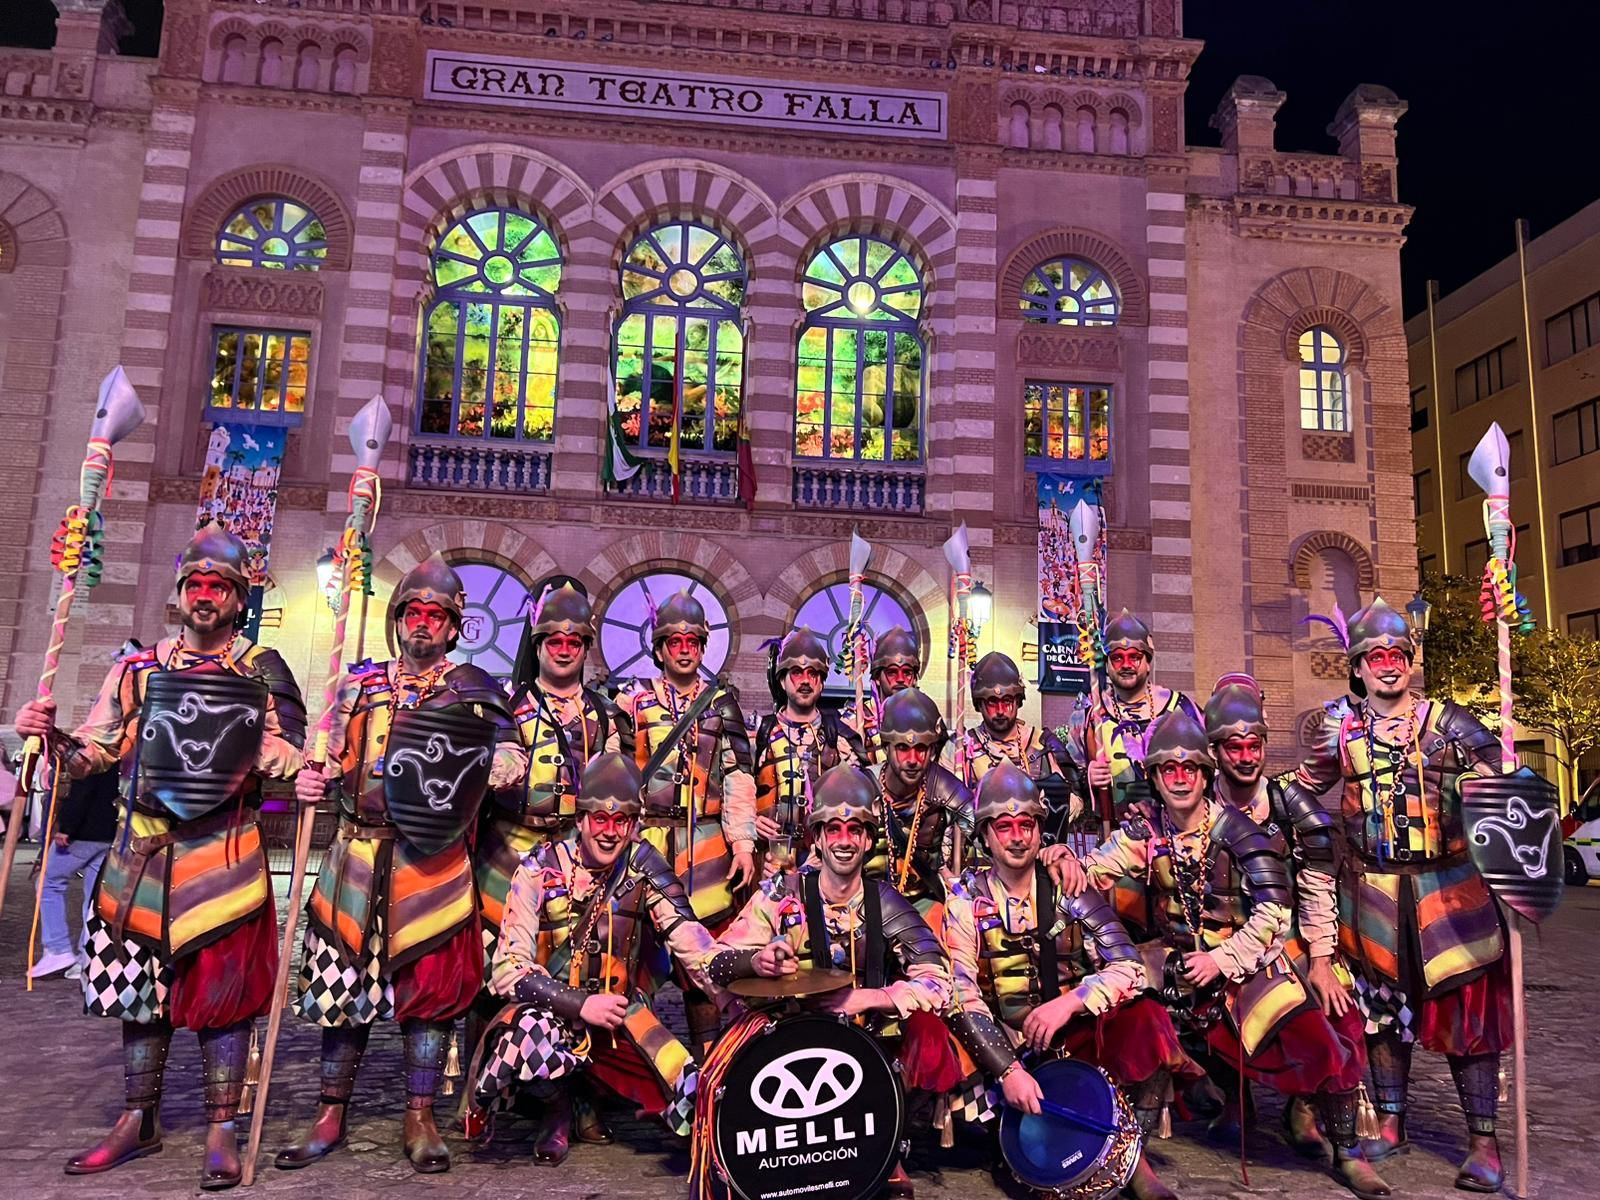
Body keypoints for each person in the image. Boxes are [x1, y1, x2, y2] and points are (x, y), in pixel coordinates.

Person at [13, 523, 307, 1190]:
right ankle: (138, 1117)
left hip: (223, 858)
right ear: (180, 595)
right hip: (140, 858)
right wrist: (49, 737)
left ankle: (222, 1127)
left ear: (238, 599)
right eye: (196, 585)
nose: (207, 596)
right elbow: (94, 750)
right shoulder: (137, 670)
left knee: (224, 1000)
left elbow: (292, 753)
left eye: (220, 587)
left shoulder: (263, 670)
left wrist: (261, 750)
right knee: (138, 997)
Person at [276, 553, 524, 1175]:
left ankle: (420, 1116)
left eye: (435, 615)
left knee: (430, 993)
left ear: (453, 625)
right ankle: (330, 1114)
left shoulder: (473, 688)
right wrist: (312, 773)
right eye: (412, 612)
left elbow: (512, 753)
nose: (422, 624)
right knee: (342, 987)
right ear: (397, 618)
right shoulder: (355, 684)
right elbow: (325, 753)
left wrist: (488, 771)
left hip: (432, 860)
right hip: (357, 852)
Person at [1075, 711, 1389, 1199]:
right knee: (1141, 1029)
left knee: (1317, 1039)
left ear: (1204, 774)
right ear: (1156, 776)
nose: (1180, 779)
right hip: (1175, 964)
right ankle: (1134, 1158)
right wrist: (1065, 863)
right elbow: (1096, 868)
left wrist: (1222, 961)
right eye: (1168, 770)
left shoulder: (1239, 830)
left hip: (1244, 964)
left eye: (1189, 769)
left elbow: (1271, 911)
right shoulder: (1145, 831)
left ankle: (1346, 1151)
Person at [1284, 597, 1513, 1192]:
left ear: (1410, 662)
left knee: (1468, 1017)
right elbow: (1302, 790)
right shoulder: (1339, 728)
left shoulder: (1453, 722)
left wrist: (1492, 781)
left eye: (1397, 654)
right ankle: (1391, 1122)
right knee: (1384, 1012)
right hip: (1373, 888)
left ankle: (1483, 1140)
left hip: (1451, 887)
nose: (1387, 664)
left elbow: (1509, 789)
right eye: (1375, 656)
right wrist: (1310, 829)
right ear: (1357, 666)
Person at [941, 763, 1200, 1200]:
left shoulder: (1069, 887)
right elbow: (961, 995)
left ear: (1040, 830)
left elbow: (1129, 966)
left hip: (1072, 1037)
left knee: (1147, 1018)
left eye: (1026, 824)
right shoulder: (966, 901)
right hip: (1005, 1049)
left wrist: (1073, 1000)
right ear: (985, 834)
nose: (1017, 836)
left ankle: (1132, 1155)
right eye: (1004, 827)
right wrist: (1009, 1071)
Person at [466, 752, 726, 1162]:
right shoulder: (538, 866)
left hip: (620, 1014)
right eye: (600, 819)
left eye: (621, 820)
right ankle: (559, 1108)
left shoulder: (643, 865)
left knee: (698, 1100)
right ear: (582, 818)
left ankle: (603, 1094)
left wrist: (748, 964)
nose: (609, 831)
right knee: (527, 1034)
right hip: (552, 1014)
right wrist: (581, 1003)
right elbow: (506, 968)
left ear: (633, 823)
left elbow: (694, 945)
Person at [710, 764, 953, 1199]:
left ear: (866, 839)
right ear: (818, 838)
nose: (844, 841)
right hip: (793, 1045)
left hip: (873, 1045)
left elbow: (938, 979)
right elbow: (716, 964)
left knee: (931, 1038)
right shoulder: (782, 893)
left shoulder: (887, 902)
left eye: (854, 830)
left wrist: (869, 998)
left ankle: (890, 1139)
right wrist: (757, 960)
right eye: (833, 829)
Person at [1204, 674, 1352, 1157]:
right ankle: (1235, 1099)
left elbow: (1314, 884)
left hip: (1283, 934)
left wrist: (1322, 958)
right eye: (1233, 748)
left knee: (1333, 999)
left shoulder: (1292, 804)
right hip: (1220, 932)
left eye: (1253, 745)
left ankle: (1304, 1105)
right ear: (1215, 751)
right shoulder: (1199, 804)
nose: (1245, 757)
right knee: (1205, 991)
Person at [614, 590, 755, 1055]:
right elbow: (615, 776)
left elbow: (737, 776)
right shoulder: (631, 704)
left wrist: (742, 843)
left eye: (692, 640)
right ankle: (636, 1076)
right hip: (648, 841)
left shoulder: (722, 703)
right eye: (674, 640)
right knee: (629, 963)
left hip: (709, 847)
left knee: (706, 968)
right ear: (659, 647)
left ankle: (711, 1070)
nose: (684, 648)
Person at [1067, 610, 1200, 822]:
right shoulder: (1089, 716)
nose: (1126, 665)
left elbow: (1209, 774)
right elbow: (1069, 780)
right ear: (1107, 665)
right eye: (1118, 658)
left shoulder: (1182, 710)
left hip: (1176, 836)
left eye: (1135, 657)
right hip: (1114, 840)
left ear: (1148, 662)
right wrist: (1087, 779)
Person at [752, 626, 865, 873]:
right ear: (782, 680)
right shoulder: (760, 735)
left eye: (813, 673)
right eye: (796, 672)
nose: (805, 680)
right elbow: (736, 792)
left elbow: (859, 804)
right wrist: (751, 822)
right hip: (768, 860)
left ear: (822, 682)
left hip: (823, 863)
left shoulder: (840, 738)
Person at [862, 686, 973, 918]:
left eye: (921, 748)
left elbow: (992, 835)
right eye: (902, 747)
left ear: (932, 749)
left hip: (924, 908)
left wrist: (1054, 855)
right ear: (886, 747)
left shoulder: (946, 789)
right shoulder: (860, 787)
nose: (913, 760)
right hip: (866, 908)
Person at [947, 651, 1077, 837]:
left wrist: (1051, 805)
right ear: (979, 704)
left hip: (1038, 851)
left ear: (1018, 700)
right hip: (981, 856)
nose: (1000, 710)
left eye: (1007, 701)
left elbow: (1075, 800)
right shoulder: (962, 748)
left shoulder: (1043, 743)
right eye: (992, 702)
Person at [29, 764, 119, 980]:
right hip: (111, 831)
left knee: (48, 881)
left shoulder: (94, 752)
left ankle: (57, 949)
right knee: (94, 897)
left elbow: (82, 791)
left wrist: (66, 827)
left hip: (84, 833)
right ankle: (88, 955)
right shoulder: (122, 751)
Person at [845, 625, 922, 761]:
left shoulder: (925, 716)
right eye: (892, 672)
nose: (900, 679)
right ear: (877, 678)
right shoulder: (853, 719)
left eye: (907, 672)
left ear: (915, 678)